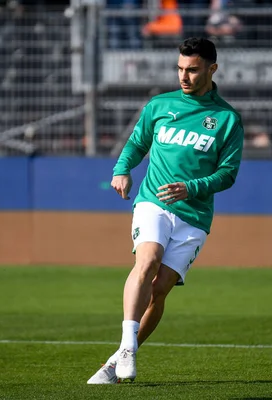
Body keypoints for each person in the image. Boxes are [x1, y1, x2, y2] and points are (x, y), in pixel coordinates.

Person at [87, 37, 244, 384]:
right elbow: (137, 142)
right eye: (180, 69)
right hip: (153, 201)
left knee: (159, 291)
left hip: (195, 216)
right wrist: (121, 169)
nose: (184, 76)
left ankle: (114, 364)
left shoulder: (227, 119)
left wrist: (192, 187)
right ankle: (127, 347)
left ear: (212, 69)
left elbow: (228, 174)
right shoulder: (160, 106)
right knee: (147, 261)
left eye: (192, 69)